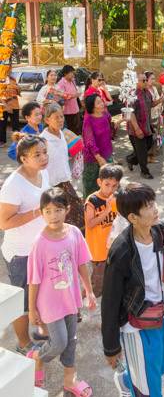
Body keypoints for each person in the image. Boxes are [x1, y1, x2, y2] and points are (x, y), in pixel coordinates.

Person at [101, 183, 164, 397]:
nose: (155, 208)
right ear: (132, 218)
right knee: (149, 388)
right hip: (135, 324)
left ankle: (128, 378)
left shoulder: (159, 229)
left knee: (162, 365)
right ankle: (133, 383)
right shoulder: (121, 252)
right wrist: (111, 347)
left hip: (161, 313)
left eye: (153, 202)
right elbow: (110, 302)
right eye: (148, 206)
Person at [26, 187, 96, 394]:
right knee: (59, 342)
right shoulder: (39, 243)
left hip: (71, 299)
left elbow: (82, 263)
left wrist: (89, 291)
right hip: (49, 303)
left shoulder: (74, 232)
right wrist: (32, 310)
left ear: (67, 209)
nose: (53, 216)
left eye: (58, 210)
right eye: (47, 211)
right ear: (41, 213)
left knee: (71, 341)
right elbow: (34, 280)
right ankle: (38, 357)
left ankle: (69, 381)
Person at [0, 135, 50, 355]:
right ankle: (23, 342)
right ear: (23, 158)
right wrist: (38, 211)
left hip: (42, 247)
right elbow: (3, 222)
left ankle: (41, 330)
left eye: (44, 152)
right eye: (37, 155)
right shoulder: (13, 185)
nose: (43, 158)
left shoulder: (44, 173)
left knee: (41, 294)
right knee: (22, 301)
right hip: (21, 253)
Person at [40, 102, 85, 231]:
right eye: (56, 117)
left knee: (78, 213)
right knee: (61, 218)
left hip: (65, 181)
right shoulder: (43, 140)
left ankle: (76, 241)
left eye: (61, 116)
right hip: (52, 186)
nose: (60, 120)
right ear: (47, 120)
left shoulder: (62, 134)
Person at [84, 164, 122, 298]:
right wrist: (106, 211)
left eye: (114, 185)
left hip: (112, 248)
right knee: (97, 281)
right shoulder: (92, 200)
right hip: (97, 250)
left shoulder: (116, 198)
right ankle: (89, 297)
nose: (110, 189)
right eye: (107, 184)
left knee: (110, 276)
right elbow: (89, 224)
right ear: (99, 182)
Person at [126, 72, 159, 179]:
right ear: (136, 81)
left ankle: (131, 159)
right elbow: (130, 113)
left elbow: (151, 104)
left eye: (146, 80)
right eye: (143, 80)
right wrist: (136, 128)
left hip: (147, 126)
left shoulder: (147, 92)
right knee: (142, 152)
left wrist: (160, 100)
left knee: (148, 145)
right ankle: (144, 171)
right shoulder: (132, 95)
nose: (146, 82)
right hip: (136, 128)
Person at [82, 94, 113, 198]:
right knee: (91, 186)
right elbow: (89, 141)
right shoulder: (88, 120)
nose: (102, 104)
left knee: (109, 183)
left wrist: (122, 120)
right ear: (92, 106)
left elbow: (110, 131)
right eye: (99, 102)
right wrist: (98, 157)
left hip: (107, 154)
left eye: (101, 101)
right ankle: (88, 208)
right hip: (93, 158)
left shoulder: (106, 115)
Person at [57, 65, 82, 134]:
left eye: (73, 73)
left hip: (76, 109)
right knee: (70, 131)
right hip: (67, 112)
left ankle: (77, 143)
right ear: (65, 73)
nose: (73, 75)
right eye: (71, 73)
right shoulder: (61, 83)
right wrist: (74, 95)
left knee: (77, 129)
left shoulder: (72, 81)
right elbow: (62, 96)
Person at [146, 70, 164, 162]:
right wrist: (159, 101)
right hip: (149, 116)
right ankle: (148, 156)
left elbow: (157, 101)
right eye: (151, 79)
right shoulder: (145, 91)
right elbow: (150, 104)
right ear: (146, 79)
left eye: (154, 79)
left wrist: (161, 106)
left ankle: (152, 155)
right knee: (151, 136)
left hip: (156, 114)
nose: (153, 80)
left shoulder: (154, 88)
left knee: (157, 136)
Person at [0, 72, 21, 146]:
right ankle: (2, 141)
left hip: (15, 106)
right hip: (4, 106)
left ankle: (18, 140)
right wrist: (6, 106)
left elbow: (18, 92)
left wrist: (17, 88)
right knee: (2, 124)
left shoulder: (13, 79)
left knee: (15, 124)